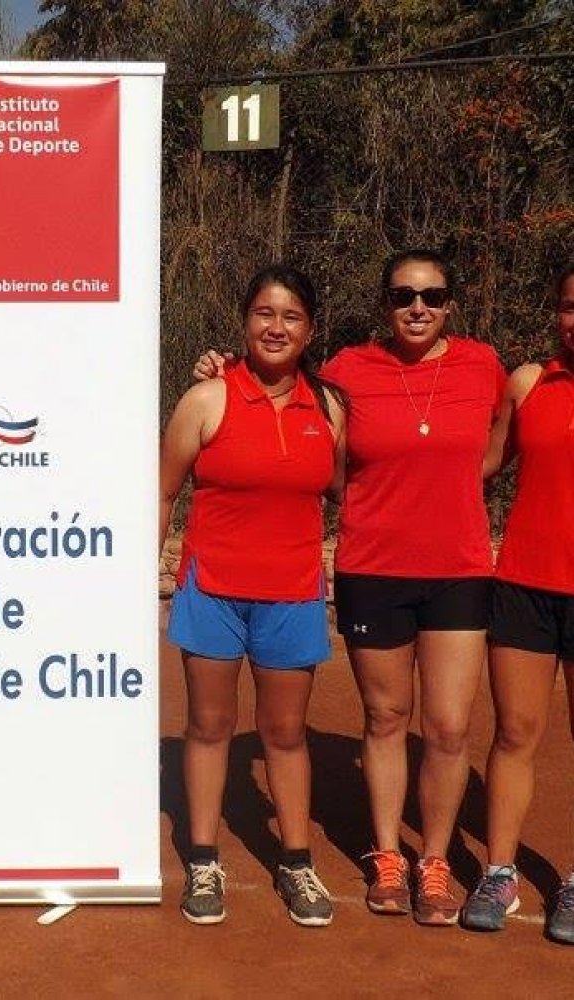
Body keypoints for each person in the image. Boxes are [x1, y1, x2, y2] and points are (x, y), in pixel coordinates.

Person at [195, 249, 506, 926]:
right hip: (373, 565)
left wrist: (447, 485)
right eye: (402, 296)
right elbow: (306, 427)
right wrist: (218, 366)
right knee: (387, 719)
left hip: (457, 568)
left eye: (430, 294)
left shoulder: (484, 366)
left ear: (450, 302)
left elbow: (500, 444)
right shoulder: (346, 375)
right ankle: (390, 855)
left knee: (450, 727)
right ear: (384, 304)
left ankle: (436, 863)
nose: (416, 307)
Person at [162, 265, 345, 927]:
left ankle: (296, 862)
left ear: (310, 329)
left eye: (291, 316)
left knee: (285, 734)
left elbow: (352, 494)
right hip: (211, 590)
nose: (276, 326)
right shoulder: (207, 399)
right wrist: (144, 571)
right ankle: (204, 859)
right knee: (209, 727)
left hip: (292, 593)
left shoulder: (329, 408)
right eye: (264, 312)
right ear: (245, 322)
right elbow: (163, 491)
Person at [460, 262, 574, 941]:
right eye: (568, 306)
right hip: (526, 585)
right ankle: (499, 872)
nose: (573, 320)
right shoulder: (530, 381)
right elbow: (477, 464)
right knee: (512, 734)